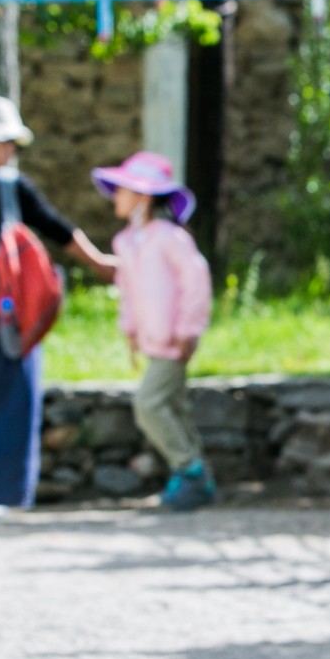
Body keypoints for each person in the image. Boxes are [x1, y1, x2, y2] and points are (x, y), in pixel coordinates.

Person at [0, 95, 114, 515]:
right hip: (5, 325)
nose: (13, 151)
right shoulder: (8, 187)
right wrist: (102, 265)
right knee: (12, 411)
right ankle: (9, 497)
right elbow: (58, 228)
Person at [95, 150, 217, 511]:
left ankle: (189, 468)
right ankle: (199, 479)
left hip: (173, 342)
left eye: (123, 190)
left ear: (143, 198)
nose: (116, 197)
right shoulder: (126, 243)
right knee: (174, 407)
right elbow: (129, 291)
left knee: (148, 403)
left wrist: (189, 328)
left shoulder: (169, 238)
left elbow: (196, 281)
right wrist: (130, 329)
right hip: (152, 341)